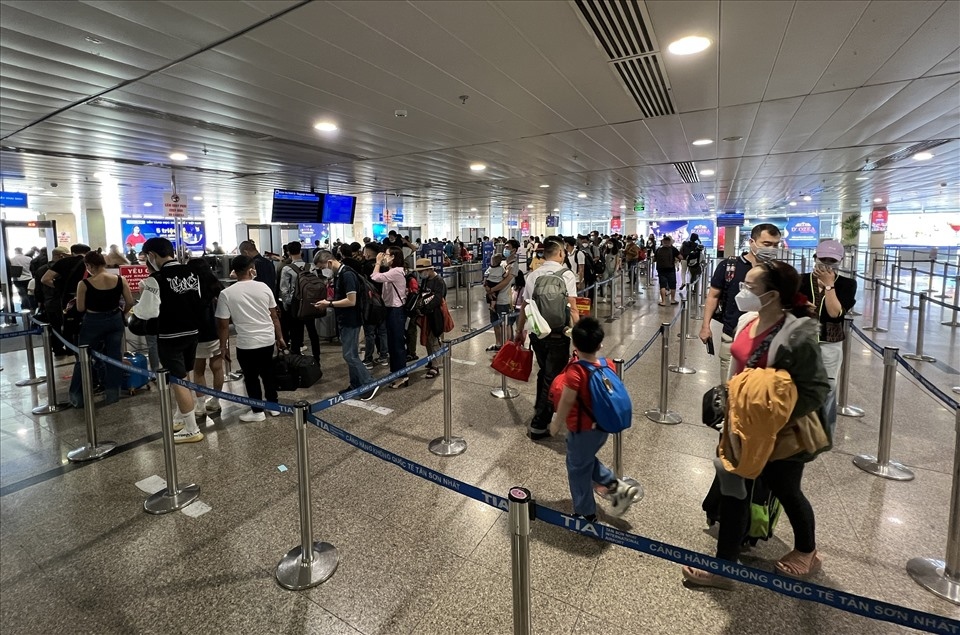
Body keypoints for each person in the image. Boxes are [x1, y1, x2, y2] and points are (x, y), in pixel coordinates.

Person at [682, 260, 829, 588]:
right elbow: (740, 368)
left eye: (750, 287)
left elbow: (816, 389)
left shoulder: (797, 334)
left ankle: (807, 550)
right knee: (735, 487)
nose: (742, 291)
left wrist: (772, 415)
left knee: (786, 489)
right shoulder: (748, 320)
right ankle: (725, 568)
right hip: (743, 424)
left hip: (784, 431)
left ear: (773, 295)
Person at [548, 317, 638, 521]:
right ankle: (618, 488)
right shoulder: (607, 365)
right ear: (600, 344)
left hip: (582, 430)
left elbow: (567, 402)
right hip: (601, 429)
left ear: (575, 345)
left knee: (578, 470)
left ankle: (585, 513)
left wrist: (555, 423)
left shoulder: (577, 372)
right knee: (584, 460)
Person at [132, 237, 209, 443]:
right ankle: (181, 417)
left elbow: (147, 311)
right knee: (185, 375)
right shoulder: (193, 272)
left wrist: (135, 309)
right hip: (192, 333)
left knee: (177, 381)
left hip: (169, 335)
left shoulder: (154, 279)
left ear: (152, 256)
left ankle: (192, 428)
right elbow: (198, 301)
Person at [698, 223, 783, 384]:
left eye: (775, 245)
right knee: (729, 388)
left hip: (768, 340)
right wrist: (705, 326)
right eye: (766, 244)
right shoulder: (729, 266)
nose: (771, 249)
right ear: (752, 242)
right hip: (732, 334)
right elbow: (713, 296)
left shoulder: (778, 271)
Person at [514, 239, 580, 440]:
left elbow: (525, 307)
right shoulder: (567, 275)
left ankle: (539, 405)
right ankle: (539, 423)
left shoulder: (533, 275)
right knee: (553, 376)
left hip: (537, 335)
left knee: (545, 371)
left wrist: (519, 331)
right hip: (559, 334)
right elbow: (574, 309)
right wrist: (578, 338)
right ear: (560, 253)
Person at [216, 255, 285, 422]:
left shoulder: (226, 294)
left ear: (234, 271)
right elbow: (274, 316)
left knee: (251, 377)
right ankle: (273, 406)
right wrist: (280, 337)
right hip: (267, 339)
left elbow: (223, 325)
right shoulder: (264, 287)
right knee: (268, 373)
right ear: (251, 269)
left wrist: (223, 347)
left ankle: (257, 411)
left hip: (246, 343)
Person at [798, 239, 857, 431]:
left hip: (830, 343)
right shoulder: (800, 280)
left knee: (828, 386)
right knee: (799, 382)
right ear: (815, 257)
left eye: (832, 260)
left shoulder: (847, 284)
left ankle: (824, 430)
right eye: (823, 259)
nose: (827, 264)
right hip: (802, 341)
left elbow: (835, 313)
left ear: (840, 261)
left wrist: (829, 286)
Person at [67, 251, 135, 408]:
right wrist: (122, 314)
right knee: (114, 358)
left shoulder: (84, 284)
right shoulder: (120, 279)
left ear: (89, 266)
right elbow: (130, 302)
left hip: (93, 321)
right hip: (115, 320)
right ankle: (113, 395)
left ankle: (77, 397)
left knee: (83, 358)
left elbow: (80, 307)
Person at [315, 252, 379, 400]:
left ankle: (369, 383)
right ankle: (355, 384)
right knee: (351, 355)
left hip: (351, 320)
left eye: (323, 267)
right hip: (344, 320)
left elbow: (351, 301)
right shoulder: (340, 274)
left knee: (349, 355)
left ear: (330, 262)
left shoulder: (347, 275)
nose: (323, 270)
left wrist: (329, 303)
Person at [188, 258, 226, 417]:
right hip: (217, 331)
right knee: (217, 366)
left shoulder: (190, 286)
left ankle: (200, 405)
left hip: (197, 333)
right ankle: (216, 401)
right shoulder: (216, 285)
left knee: (199, 370)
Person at [370, 247, 409, 389]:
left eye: (386, 254)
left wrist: (378, 262)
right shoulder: (394, 271)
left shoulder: (396, 271)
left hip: (396, 311)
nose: (384, 257)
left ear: (393, 257)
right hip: (391, 310)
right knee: (393, 344)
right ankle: (395, 373)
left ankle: (402, 376)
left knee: (397, 345)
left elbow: (374, 277)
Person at [279, 242, 321, 365]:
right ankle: (317, 359)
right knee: (313, 332)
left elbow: (284, 290)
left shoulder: (287, 269)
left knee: (296, 334)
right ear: (301, 251)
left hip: (296, 306)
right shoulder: (311, 266)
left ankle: (297, 362)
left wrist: (287, 305)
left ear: (288, 253)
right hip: (310, 304)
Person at [412, 258, 446, 379]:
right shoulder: (426, 280)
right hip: (426, 314)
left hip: (436, 314)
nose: (421, 274)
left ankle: (436, 366)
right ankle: (431, 360)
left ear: (429, 269)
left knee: (435, 339)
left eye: (422, 271)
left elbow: (438, 299)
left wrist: (425, 308)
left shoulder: (439, 281)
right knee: (427, 339)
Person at [359, 243, 389, 369]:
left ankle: (368, 359)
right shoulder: (384, 266)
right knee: (382, 332)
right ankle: (383, 356)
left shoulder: (365, 266)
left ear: (369, 253)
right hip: (383, 302)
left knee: (369, 333)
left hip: (370, 304)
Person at [483, 254, 514, 352]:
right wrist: (488, 289)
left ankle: (507, 346)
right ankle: (499, 344)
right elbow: (485, 279)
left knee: (505, 324)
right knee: (495, 323)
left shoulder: (512, 267)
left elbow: (505, 282)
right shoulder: (497, 267)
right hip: (494, 295)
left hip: (504, 300)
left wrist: (491, 290)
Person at [653, 236, 681, 306]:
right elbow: (681, 257)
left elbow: (654, 259)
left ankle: (663, 301)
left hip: (661, 269)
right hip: (670, 269)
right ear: (670, 242)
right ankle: (672, 300)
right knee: (672, 285)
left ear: (663, 241)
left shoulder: (658, 249)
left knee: (662, 285)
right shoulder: (673, 249)